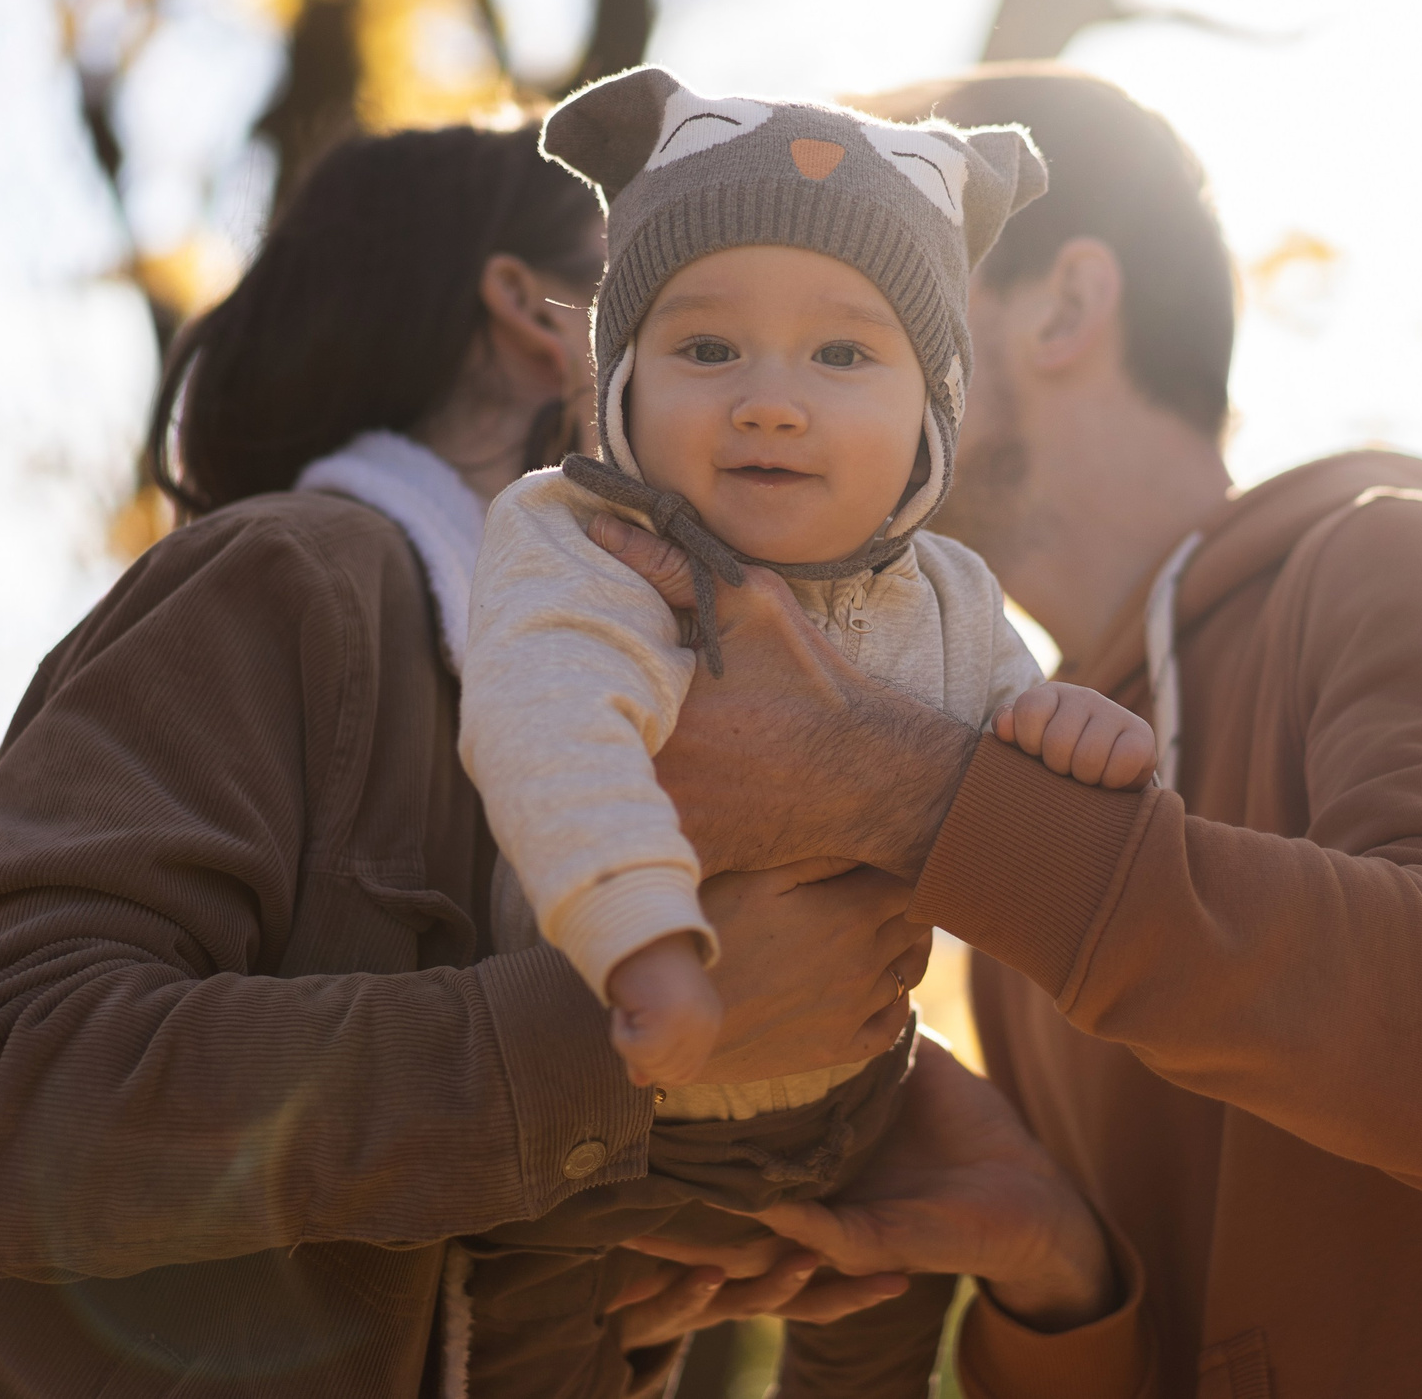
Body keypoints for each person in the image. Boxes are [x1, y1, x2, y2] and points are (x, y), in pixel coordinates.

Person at [0, 123, 1119, 1399]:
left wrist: (944, 1207)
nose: (771, 386)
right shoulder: (295, 577)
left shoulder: (641, 725)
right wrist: (604, 1049)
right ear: (541, 323)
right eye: (691, 315)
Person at [592, 66, 1422, 1397]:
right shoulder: (1019, 811)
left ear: (1069, 306)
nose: (788, 383)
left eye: (865, 311)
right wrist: (1051, 1272)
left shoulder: (1397, 566)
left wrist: (898, 795)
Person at [447, 70, 1155, 1396]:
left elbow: (1001, 741)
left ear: (931, 412)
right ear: (624, 380)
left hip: (853, 1115)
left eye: (844, 355)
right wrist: (639, 935)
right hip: (613, 1122)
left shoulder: (946, 594)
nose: (772, 401)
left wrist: (1064, 728)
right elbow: (549, 730)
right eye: (709, 350)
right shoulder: (582, 550)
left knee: (887, 1305)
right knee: (537, 1344)